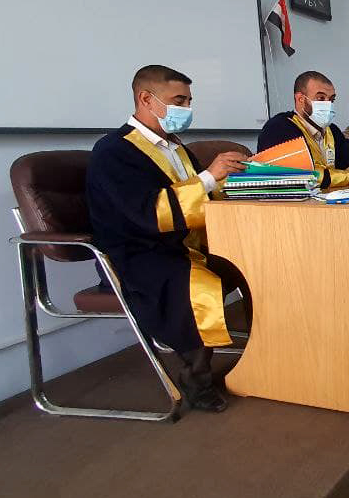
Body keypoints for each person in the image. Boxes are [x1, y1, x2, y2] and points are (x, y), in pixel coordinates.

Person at [86, 65, 250, 412]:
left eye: (189, 101)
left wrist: (240, 182)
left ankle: (264, 352)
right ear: (146, 99)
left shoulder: (175, 148)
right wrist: (209, 177)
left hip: (181, 244)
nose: (186, 109)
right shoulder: (114, 151)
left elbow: (199, 199)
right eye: (179, 100)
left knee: (253, 265)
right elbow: (150, 212)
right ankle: (196, 378)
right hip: (138, 252)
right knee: (197, 284)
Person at [256, 71, 349, 188]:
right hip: (292, 204)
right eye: (321, 98)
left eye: (331, 100)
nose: (328, 105)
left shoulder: (332, 130)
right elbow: (302, 174)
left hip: (329, 201)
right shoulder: (279, 127)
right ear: (300, 99)